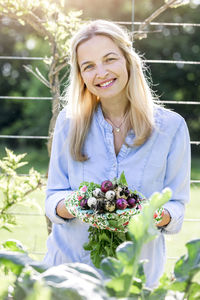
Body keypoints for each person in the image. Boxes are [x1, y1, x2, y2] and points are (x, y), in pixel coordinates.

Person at [43, 19, 191, 289]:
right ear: (81, 75)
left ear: (127, 60)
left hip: (134, 277)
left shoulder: (171, 128)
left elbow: (177, 204)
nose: (100, 72)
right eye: (88, 66)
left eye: (109, 59)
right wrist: (78, 204)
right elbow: (53, 198)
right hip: (69, 275)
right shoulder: (70, 122)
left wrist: (148, 215)